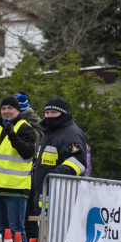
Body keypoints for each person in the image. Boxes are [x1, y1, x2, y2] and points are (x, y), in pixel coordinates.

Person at [29, 96, 88, 232]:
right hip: (47, 197)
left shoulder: (71, 134)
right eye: (47, 112)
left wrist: (55, 175)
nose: (49, 116)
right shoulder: (50, 132)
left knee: (59, 239)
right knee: (47, 241)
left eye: (54, 113)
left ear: (63, 113)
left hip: (62, 198)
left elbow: (79, 161)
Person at [0, 95, 36, 242]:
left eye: (10, 108)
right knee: (4, 231)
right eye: (3, 108)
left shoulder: (25, 128)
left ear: (18, 110)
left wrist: (12, 135)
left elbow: (28, 152)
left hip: (16, 189)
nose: (6, 111)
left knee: (17, 231)